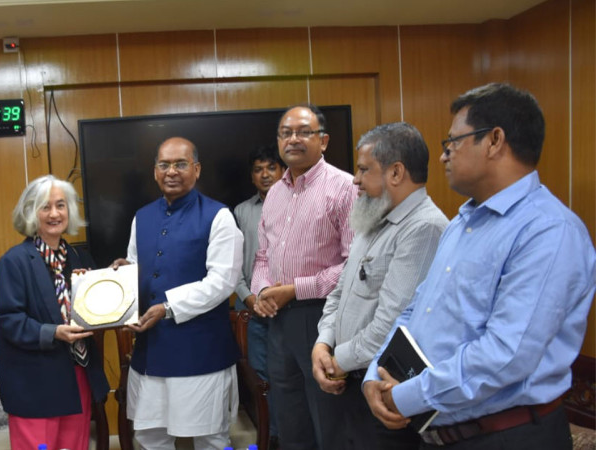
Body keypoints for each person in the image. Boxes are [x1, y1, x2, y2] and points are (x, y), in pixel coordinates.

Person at [363, 83, 596, 449]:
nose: (444, 156)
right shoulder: (462, 223)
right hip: (435, 428)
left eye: (452, 142)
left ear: (494, 140)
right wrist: (375, 373)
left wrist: (406, 395)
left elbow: (506, 356)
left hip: (507, 436)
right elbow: (416, 309)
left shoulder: (548, 231)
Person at [311, 122, 449, 449]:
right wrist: (323, 343)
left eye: (363, 169)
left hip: (382, 388)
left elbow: (393, 324)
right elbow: (339, 293)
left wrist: (336, 362)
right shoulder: (372, 218)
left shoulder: (424, 228)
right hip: (347, 378)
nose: (355, 179)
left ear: (396, 172)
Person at [112, 137, 244, 449]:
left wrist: (168, 307)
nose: (171, 171)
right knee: (150, 436)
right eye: (164, 164)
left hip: (201, 352)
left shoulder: (219, 216)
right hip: (150, 352)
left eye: (180, 164)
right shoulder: (142, 216)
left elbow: (222, 282)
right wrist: (125, 272)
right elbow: (136, 263)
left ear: (196, 169)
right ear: (154, 171)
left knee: (210, 437)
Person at [251, 104, 357, 449]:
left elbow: (355, 265)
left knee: (329, 417)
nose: (293, 139)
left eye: (303, 132)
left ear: (323, 141)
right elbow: (263, 256)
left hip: (324, 317)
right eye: (286, 133)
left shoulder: (344, 187)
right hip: (278, 321)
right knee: (289, 417)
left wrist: (297, 289)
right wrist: (262, 291)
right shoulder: (275, 193)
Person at [0, 175, 109, 450]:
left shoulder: (79, 258)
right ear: (31, 212)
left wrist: (113, 280)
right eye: (45, 207)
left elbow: (99, 310)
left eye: (60, 205)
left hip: (77, 376)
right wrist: (53, 332)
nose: (54, 214)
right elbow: (9, 321)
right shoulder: (14, 261)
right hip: (35, 384)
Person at [232, 143, 285, 447]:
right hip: (251, 305)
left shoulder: (298, 204)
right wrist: (249, 297)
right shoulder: (241, 211)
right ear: (252, 176)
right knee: (260, 374)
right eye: (258, 169)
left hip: (290, 303)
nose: (265, 174)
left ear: (283, 170)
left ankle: (292, 435)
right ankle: (272, 434)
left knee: (290, 371)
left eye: (271, 167)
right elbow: (233, 265)